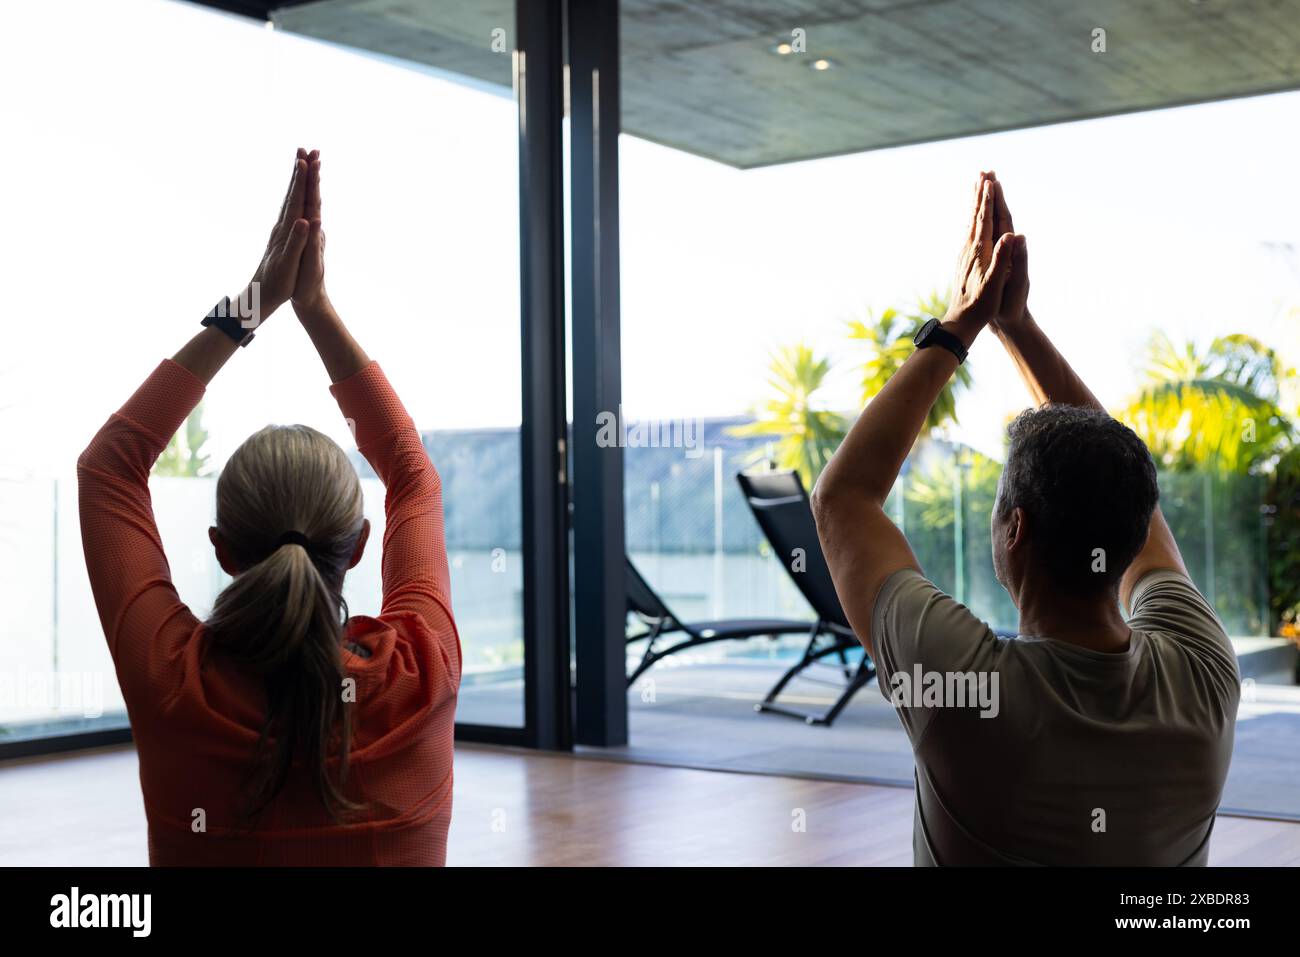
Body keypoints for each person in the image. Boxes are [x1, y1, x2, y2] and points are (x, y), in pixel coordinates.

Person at [811, 172, 1239, 866]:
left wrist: (960, 327)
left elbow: (841, 499)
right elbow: (1128, 488)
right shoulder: (1203, 670)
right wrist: (1019, 328)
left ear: (1015, 531)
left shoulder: (962, 686)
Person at [77, 150, 460, 865]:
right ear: (357, 545)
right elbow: (413, 475)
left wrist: (253, 305)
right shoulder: (421, 670)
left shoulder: (173, 681)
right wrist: (314, 306)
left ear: (223, 549)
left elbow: (107, 468)